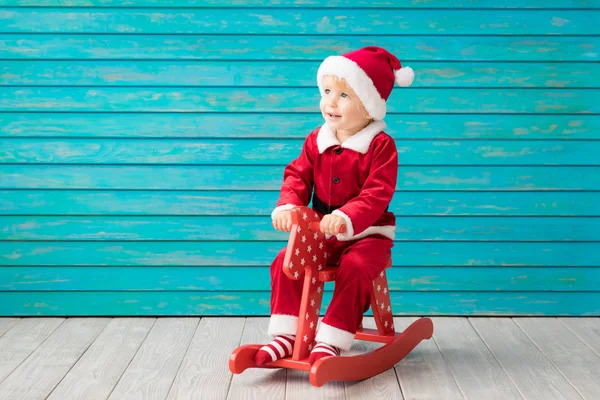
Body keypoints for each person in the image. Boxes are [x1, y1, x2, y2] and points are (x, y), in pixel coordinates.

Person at [254, 46, 414, 366]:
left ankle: (333, 339)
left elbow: (377, 193)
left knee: (355, 268)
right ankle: (288, 334)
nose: (330, 101)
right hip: (323, 235)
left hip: (369, 234)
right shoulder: (317, 139)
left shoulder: (381, 146)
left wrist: (345, 216)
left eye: (344, 95)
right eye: (327, 91)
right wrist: (288, 206)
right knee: (286, 260)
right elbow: (297, 175)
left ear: (369, 107)